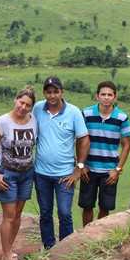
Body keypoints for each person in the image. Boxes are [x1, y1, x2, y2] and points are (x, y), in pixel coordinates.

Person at [33, 76, 89, 249]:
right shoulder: (37, 108)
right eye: (49, 92)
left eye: (55, 91)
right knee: (45, 213)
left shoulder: (73, 112)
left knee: (65, 213)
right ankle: (49, 247)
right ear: (44, 93)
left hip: (65, 174)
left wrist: (78, 169)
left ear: (62, 92)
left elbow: (84, 140)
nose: (52, 96)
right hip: (41, 172)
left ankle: (66, 248)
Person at [0, 86, 37, 260]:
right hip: (7, 173)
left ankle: (8, 249)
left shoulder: (34, 121)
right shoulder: (2, 122)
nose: (23, 107)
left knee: (18, 213)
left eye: (28, 105)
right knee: (9, 215)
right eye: (21, 102)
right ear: (15, 100)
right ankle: (7, 255)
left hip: (26, 173)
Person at [78, 81, 130, 226]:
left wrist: (117, 169)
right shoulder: (87, 114)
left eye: (110, 95)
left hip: (109, 170)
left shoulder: (122, 117)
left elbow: (126, 145)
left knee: (105, 206)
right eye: (103, 94)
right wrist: (81, 165)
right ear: (97, 96)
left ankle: (99, 235)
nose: (106, 98)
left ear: (115, 97)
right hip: (88, 169)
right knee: (87, 205)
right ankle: (85, 235)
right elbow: (79, 140)